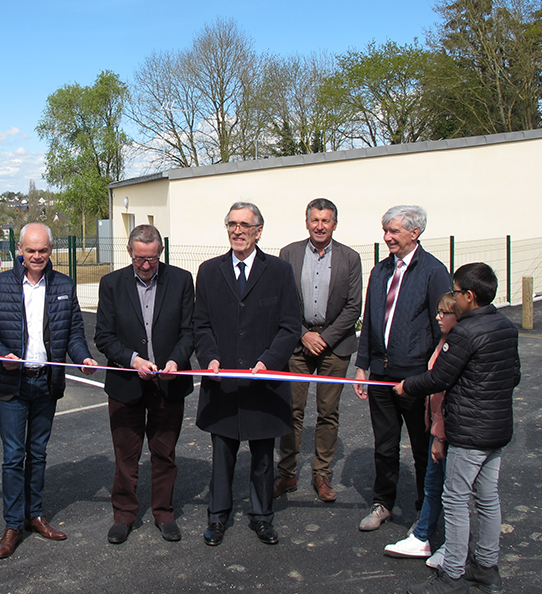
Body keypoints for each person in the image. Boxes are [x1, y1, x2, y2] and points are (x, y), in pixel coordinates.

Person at [0, 223, 98, 560]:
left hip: (47, 383)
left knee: (38, 453)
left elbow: (73, 332)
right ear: (19, 250)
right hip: (13, 385)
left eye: (43, 250)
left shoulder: (63, 285)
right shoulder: (0, 285)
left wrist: (83, 356)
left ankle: (36, 515)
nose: (37, 256)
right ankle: (13, 524)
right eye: (31, 251)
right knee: (14, 456)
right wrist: (2, 354)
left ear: (51, 250)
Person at [397, 263, 520, 594]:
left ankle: (452, 574)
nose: (451, 297)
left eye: (455, 291)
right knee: (487, 498)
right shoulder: (506, 326)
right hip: (497, 429)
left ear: (469, 296)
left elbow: (439, 378)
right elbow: (514, 375)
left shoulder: (465, 333)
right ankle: (486, 568)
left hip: (469, 432)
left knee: (454, 498)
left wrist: (407, 386)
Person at [194, 201, 301, 546]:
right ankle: (217, 517)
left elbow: (290, 326)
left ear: (259, 231)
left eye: (244, 225)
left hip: (263, 381)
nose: (237, 230)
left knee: (262, 456)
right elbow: (201, 324)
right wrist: (209, 358)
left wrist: (269, 362)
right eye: (232, 224)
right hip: (222, 381)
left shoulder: (280, 272)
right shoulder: (209, 271)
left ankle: (262, 516)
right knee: (222, 454)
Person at [95, 224, 194, 544]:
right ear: (129, 253)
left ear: (160, 253)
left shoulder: (180, 280)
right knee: (126, 454)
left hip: (169, 383)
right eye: (140, 259)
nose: (147, 266)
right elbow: (104, 336)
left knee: (164, 453)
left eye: (152, 259)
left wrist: (175, 362)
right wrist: (132, 360)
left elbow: (189, 331)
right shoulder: (111, 284)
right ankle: (123, 515)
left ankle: (164, 512)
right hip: (127, 383)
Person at [353, 205, 450, 531]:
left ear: (414, 232)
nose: (387, 237)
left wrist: (434, 377)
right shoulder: (380, 271)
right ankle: (383, 503)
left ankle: (426, 511)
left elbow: (442, 329)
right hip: (380, 374)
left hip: (416, 378)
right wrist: (362, 365)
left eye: (393, 231)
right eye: (385, 231)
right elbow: (368, 322)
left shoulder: (434, 272)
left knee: (423, 449)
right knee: (385, 445)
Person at [275, 198, 362, 502]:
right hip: (297, 345)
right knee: (291, 410)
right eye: (315, 220)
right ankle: (286, 473)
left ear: (334, 224)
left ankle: (321, 473)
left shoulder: (350, 258)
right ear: (307, 222)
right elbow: (281, 301)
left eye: (326, 221)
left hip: (335, 347)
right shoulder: (289, 253)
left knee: (328, 413)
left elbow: (354, 306)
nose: (320, 226)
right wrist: (303, 335)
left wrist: (324, 338)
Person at [384, 292, 461, 564]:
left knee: (447, 488)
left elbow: (442, 388)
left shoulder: (457, 345)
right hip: (440, 427)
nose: (438, 317)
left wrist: (439, 435)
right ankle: (425, 536)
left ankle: (443, 545)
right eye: (438, 311)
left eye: (444, 313)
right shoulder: (444, 341)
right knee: (435, 483)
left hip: (447, 430)